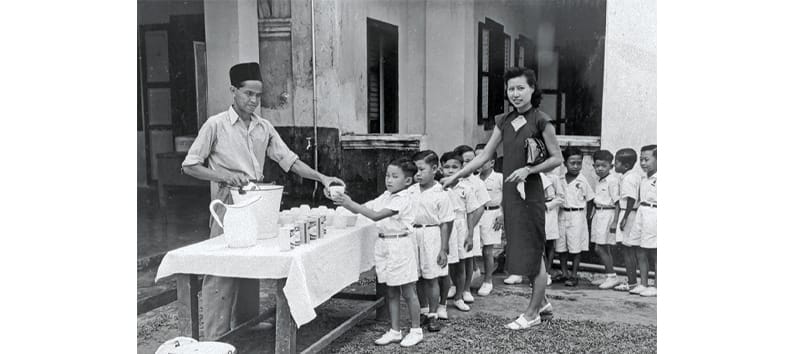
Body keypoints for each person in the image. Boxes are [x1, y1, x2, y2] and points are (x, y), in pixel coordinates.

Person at [181, 62, 344, 339]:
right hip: (227, 204)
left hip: (258, 201)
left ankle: (245, 322)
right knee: (221, 268)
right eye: (248, 94)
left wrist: (322, 177)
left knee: (250, 263)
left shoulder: (263, 127)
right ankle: (215, 337)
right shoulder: (216, 125)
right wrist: (222, 176)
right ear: (233, 90)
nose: (254, 101)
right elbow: (190, 165)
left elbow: (289, 160)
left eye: (258, 95)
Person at [442, 67, 563, 330]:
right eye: (511, 89)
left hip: (529, 192)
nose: (516, 94)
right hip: (510, 193)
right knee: (521, 248)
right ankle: (543, 303)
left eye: (521, 88)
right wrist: (456, 177)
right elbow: (484, 155)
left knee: (533, 252)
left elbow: (557, 158)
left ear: (533, 89)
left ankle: (532, 314)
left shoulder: (542, 120)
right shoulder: (504, 120)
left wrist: (529, 169)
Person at [331, 157, 424, 347]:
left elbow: (375, 215)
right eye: (387, 175)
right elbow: (368, 207)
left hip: (400, 246)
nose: (389, 180)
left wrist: (349, 203)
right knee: (391, 290)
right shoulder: (386, 196)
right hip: (384, 245)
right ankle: (395, 330)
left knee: (408, 291)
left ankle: (416, 330)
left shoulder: (404, 198)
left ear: (407, 181)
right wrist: (344, 202)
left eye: (394, 176)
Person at [408, 150, 455, 330]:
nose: (417, 174)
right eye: (415, 170)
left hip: (432, 235)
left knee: (431, 277)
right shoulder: (410, 191)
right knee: (417, 276)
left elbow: (446, 222)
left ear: (434, 169)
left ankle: (434, 314)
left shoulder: (441, 192)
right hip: (413, 234)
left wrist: (443, 248)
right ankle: (423, 310)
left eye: (421, 169)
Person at [439, 152, 485, 312]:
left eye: (455, 167)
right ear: (440, 168)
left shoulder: (466, 188)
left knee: (462, 265)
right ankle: (442, 299)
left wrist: (470, 234)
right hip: (444, 227)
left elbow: (471, 212)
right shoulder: (439, 188)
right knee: (445, 263)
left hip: (461, 226)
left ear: (462, 168)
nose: (450, 170)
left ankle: (460, 295)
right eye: (447, 167)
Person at [451, 145, 490, 302]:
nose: (470, 164)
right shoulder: (452, 180)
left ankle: (466, 289)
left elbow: (481, 206)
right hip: (453, 225)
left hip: (470, 225)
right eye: (466, 161)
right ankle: (454, 285)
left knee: (468, 259)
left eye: (472, 160)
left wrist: (470, 227)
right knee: (453, 257)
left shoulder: (476, 181)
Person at [557, 147, 595, 287]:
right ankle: (564, 272)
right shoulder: (560, 179)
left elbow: (590, 199)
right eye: (572, 163)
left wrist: (588, 218)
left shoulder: (583, 181)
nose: (575, 166)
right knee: (561, 245)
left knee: (575, 247)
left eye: (579, 163)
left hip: (577, 216)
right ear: (564, 163)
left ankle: (574, 275)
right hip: (562, 214)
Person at [472, 144, 504, 296]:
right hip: (475, 214)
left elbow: (508, 198)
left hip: (492, 214)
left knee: (488, 250)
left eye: (483, 158)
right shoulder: (473, 179)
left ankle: (488, 281)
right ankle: (473, 272)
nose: (479, 161)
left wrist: (503, 215)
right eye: (477, 157)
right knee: (471, 247)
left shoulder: (499, 178)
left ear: (491, 162)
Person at [590, 150, 621, 289]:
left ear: (611, 166)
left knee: (601, 247)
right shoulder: (598, 180)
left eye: (604, 166)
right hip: (599, 214)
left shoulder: (612, 181)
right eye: (597, 166)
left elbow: (617, 203)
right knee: (600, 247)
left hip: (608, 215)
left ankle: (612, 276)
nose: (600, 169)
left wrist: (615, 222)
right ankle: (609, 275)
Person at [611, 148, 641, 292]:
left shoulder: (629, 178)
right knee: (628, 250)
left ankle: (632, 282)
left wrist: (624, 218)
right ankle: (632, 281)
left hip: (628, 214)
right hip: (629, 213)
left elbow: (631, 198)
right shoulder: (630, 176)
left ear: (626, 165)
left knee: (627, 250)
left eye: (616, 162)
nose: (614, 165)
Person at [629, 145, 657, 297]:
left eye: (647, 159)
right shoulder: (644, 178)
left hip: (655, 214)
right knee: (639, 247)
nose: (643, 163)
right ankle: (644, 283)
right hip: (642, 212)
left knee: (655, 250)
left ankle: (656, 285)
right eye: (641, 160)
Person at [540, 170, 564, 285]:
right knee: (538, 243)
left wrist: (547, 205)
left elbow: (560, 197)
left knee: (549, 243)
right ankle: (538, 274)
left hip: (549, 212)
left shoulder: (553, 178)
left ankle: (547, 273)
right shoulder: (532, 175)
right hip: (535, 210)